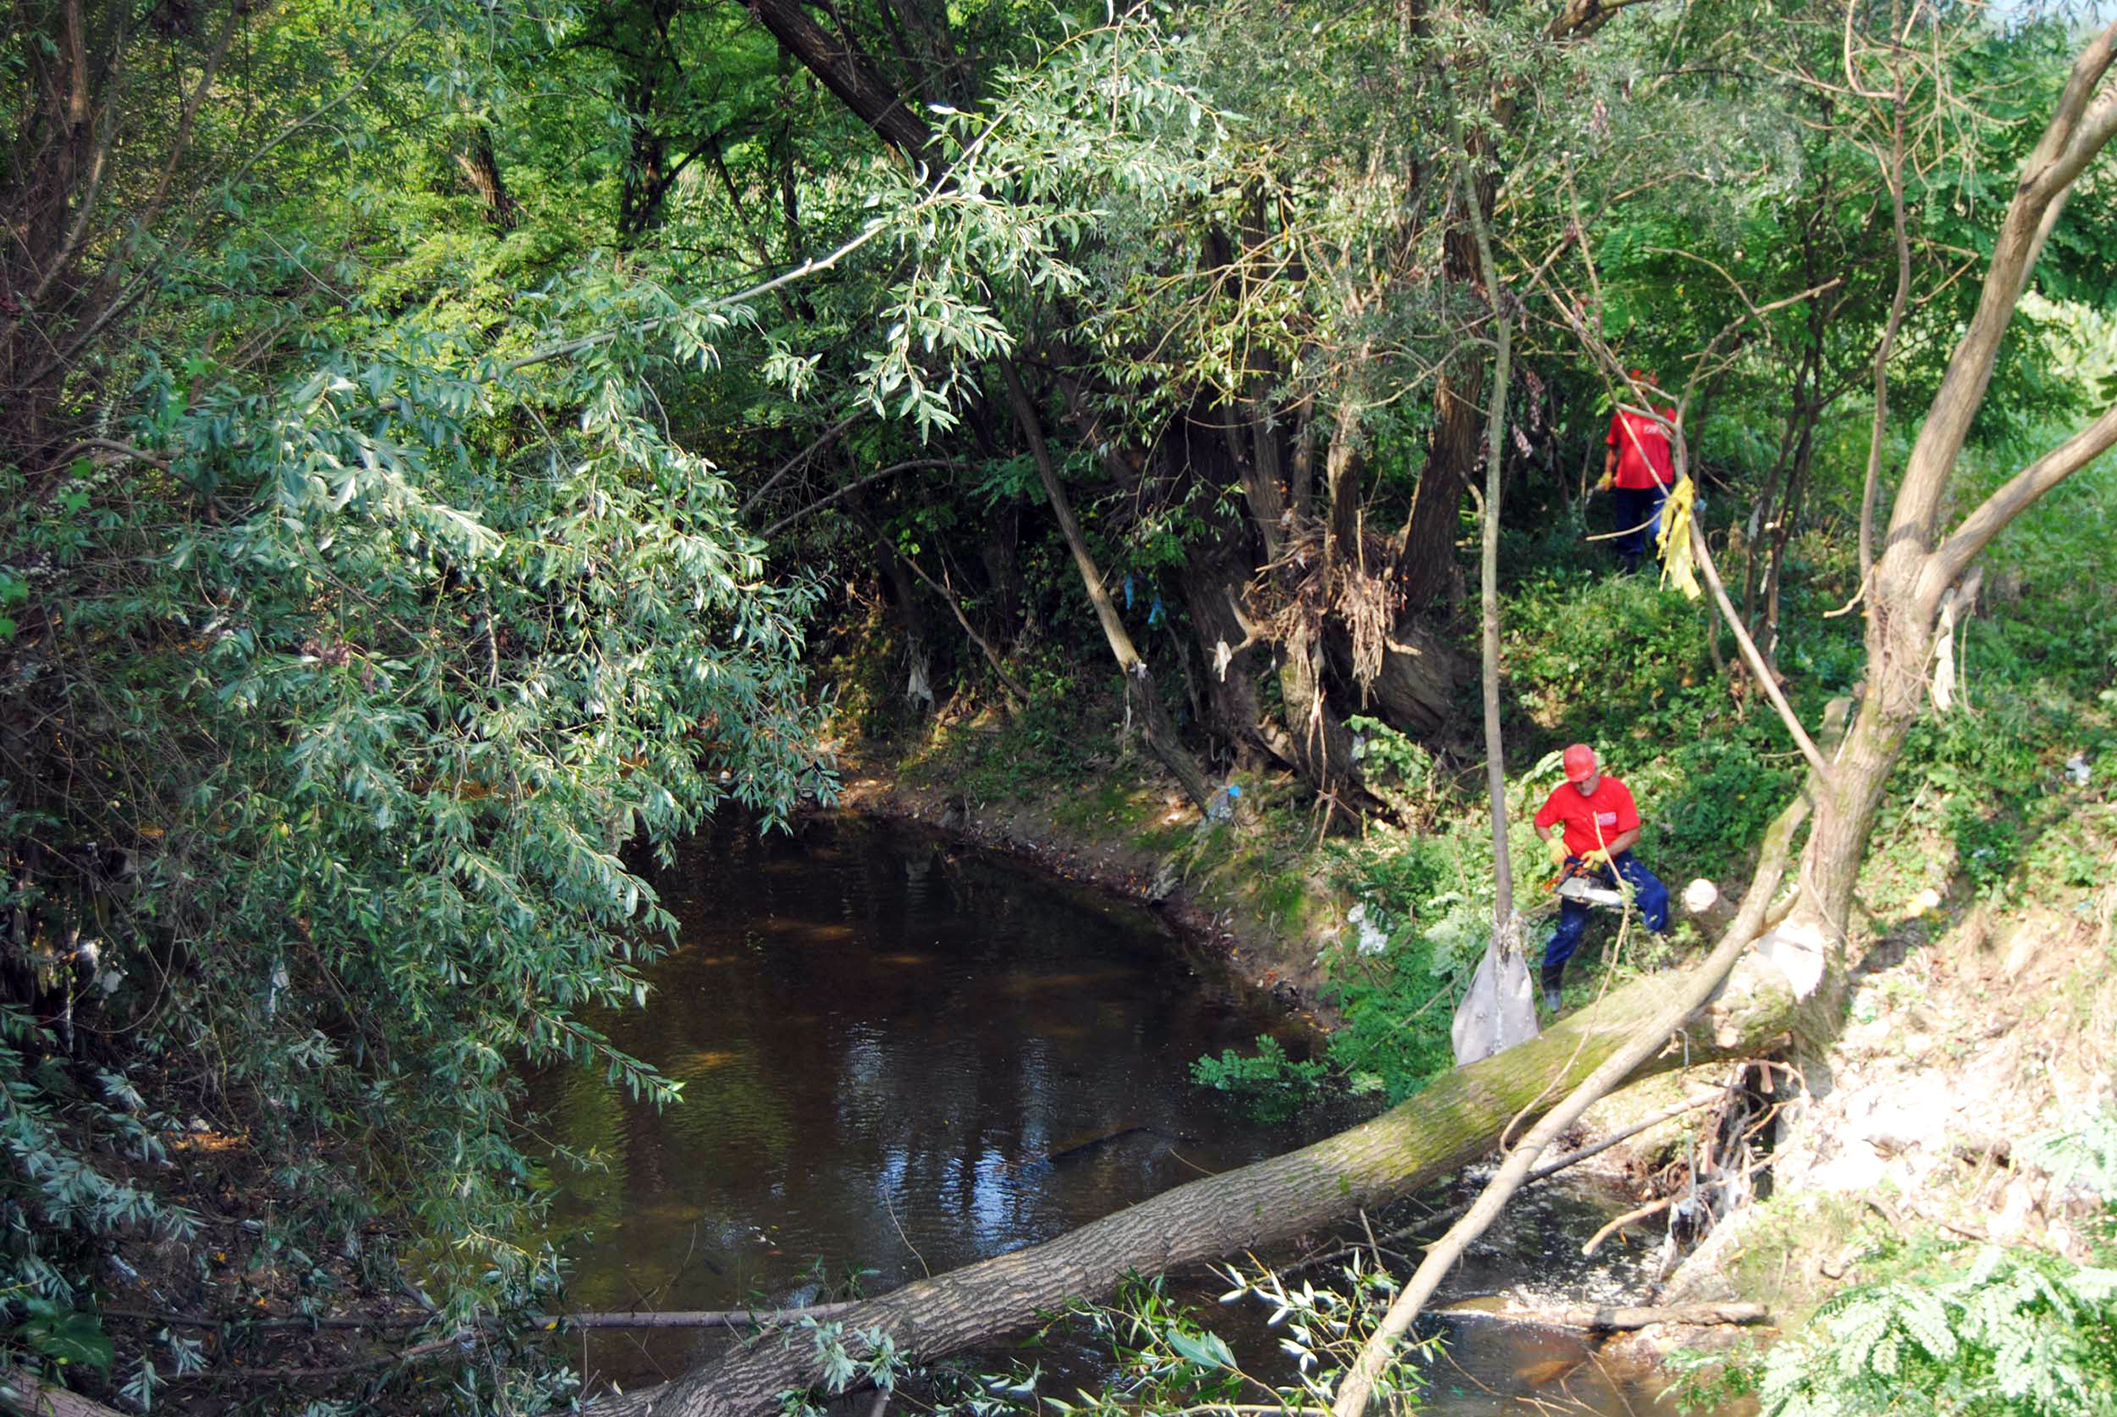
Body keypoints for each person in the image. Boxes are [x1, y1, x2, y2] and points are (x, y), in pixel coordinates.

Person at [1531, 743, 1670, 1012]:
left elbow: (1632, 834)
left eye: (1586, 780)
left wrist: (1605, 853)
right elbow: (1540, 822)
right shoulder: (1562, 795)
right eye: (1577, 783)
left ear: (1596, 770)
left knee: (1656, 896)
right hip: (1580, 862)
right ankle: (1551, 978)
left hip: (1615, 856)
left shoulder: (1616, 791)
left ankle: (1658, 948)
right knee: (1570, 927)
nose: (1583, 787)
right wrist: (1552, 843)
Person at [1598, 373, 1678, 574]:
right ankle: (1628, 576)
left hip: (1659, 485)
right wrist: (1608, 472)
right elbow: (1612, 447)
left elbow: (1679, 446)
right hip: (1626, 485)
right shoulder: (1623, 415)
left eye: (1648, 388)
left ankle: (1666, 576)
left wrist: (1684, 479)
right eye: (1640, 388)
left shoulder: (1666, 415)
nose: (1644, 393)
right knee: (1626, 535)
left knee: (1658, 532)